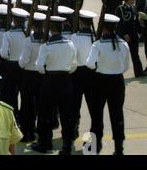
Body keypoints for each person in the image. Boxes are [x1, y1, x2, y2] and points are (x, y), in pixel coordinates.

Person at [31, 16, 77, 155]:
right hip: (65, 79)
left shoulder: (46, 46)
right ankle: (67, 146)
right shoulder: (70, 44)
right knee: (66, 115)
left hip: (49, 80)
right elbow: (73, 65)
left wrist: (47, 71)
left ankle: (45, 143)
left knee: (45, 114)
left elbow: (39, 67)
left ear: (49, 29)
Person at [86, 14, 130, 155]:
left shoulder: (97, 45)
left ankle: (94, 147)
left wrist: (100, 67)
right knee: (117, 115)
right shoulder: (123, 44)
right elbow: (125, 67)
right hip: (117, 81)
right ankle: (119, 148)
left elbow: (89, 64)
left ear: (103, 27)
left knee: (96, 116)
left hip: (100, 82)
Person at [70, 10, 97, 140]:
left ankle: (74, 128)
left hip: (77, 73)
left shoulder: (75, 37)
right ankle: (94, 133)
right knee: (93, 106)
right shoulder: (96, 37)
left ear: (80, 23)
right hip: (92, 74)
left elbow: (73, 58)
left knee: (74, 104)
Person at [18, 12, 46, 143]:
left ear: (33, 26)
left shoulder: (28, 40)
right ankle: (40, 134)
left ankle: (26, 132)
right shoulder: (48, 39)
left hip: (29, 75)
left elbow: (23, 62)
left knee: (26, 105)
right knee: (42, 106)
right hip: (42, 75)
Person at [115, 0, 143, 77]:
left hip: (134, 35)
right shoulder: (120, 9)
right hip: (125, 36)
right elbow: (119, 23)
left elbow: (136, 22)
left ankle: (139, 73)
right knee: (121, 56)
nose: (134, 0)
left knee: (135, 55)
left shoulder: (134, 8)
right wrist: (124, 34)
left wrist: (139, 32)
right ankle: (117, 73)